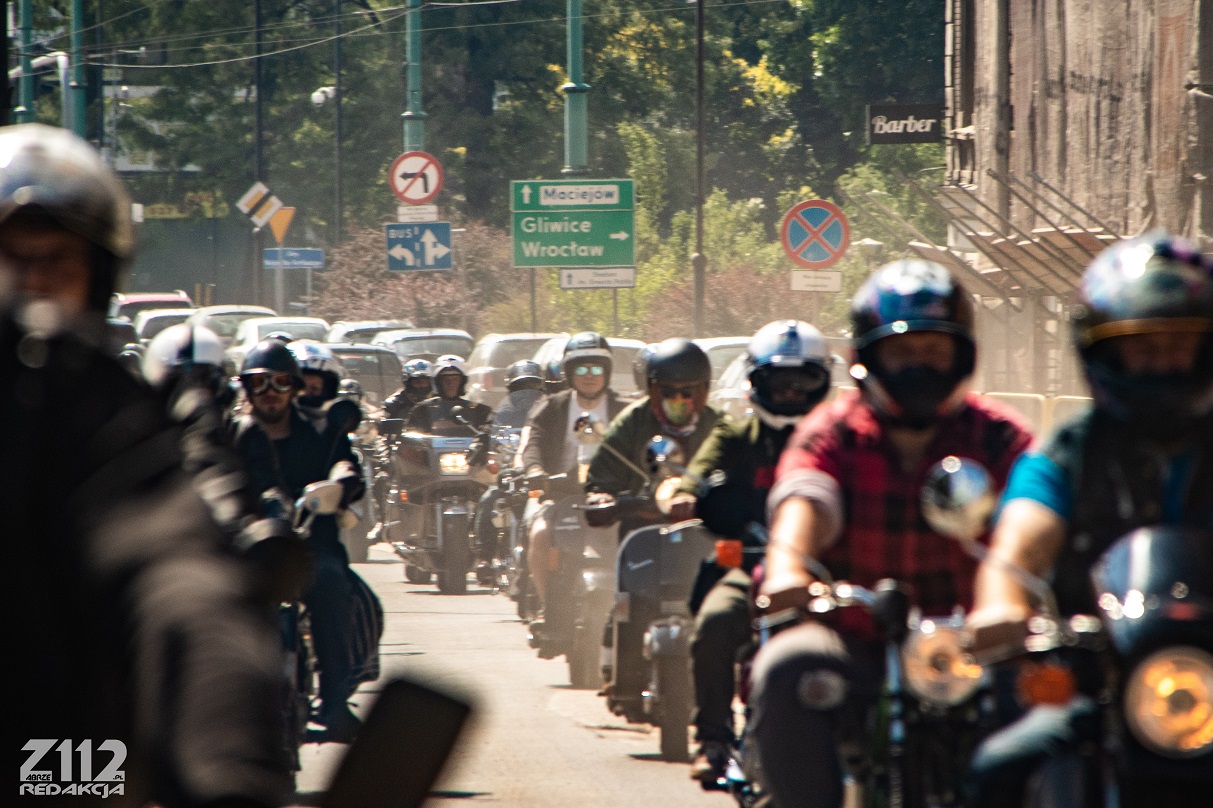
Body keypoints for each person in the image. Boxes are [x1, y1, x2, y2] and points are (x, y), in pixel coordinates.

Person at [3, 123, 291, 807]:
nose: (33, 290)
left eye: (57, 264)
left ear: (98, 280)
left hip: (64, 754)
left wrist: (226, 767)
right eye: (12, 264)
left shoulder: (99, 414)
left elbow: (171, 571)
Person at [749, 260, 1033, 808]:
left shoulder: (998, 435)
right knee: (787, 669)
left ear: (962, 356)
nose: (918, 366)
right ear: (867, 359)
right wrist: (787, 570)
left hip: (978, 646)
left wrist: (1015, 603)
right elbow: (806, 498)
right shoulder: (832, 432)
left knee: (1059, 704)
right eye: (902, 353)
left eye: (934, 352)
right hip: (858, 642)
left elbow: (1034, 512)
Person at [965, 233, 1213, 806]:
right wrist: (1001, 605)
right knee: (998, 769)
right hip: (1099, 688)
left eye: (1179, 346)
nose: (1162, 363)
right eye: (1142, 348)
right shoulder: (1067, 455)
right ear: (1105, 354)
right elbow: (1020, 542)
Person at [668, 321, 833, 783]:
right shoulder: (736, 437)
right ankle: (714, 738)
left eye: (802, 382)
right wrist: (683, 492)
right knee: (714, 626)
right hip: (751, 563)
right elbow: (697, 472)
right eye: (777, 382)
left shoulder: (836, 439)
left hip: (829, 570)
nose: (789, 393)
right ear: (755, 382)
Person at [233, 338, 367, 742]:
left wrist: (342, 481)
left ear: (295, 386)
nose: (270, 393)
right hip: (249, 549)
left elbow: (344, 461)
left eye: (280, 382)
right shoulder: (233, 434)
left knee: (329, 582)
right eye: (259, 383)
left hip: (311, 544)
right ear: (246, 388)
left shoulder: (321, 428)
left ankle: (335, 700)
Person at [518, 333, 628, 644]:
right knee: (539, 536)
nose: (590, 377)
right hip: (562, 495)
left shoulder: (626, 409)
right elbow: (534, 443)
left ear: (607, 372)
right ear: (569, 374)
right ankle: (546, 606)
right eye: (581, 370)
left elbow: (644, 445)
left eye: (596, 369)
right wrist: (535, 470)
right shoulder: (551, 408)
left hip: (614, 498)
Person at [583, 337, 722, 517]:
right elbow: (604, 474)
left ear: (704, 390)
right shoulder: (633, 421)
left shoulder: (719, 424)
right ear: (653, 390)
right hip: (643, 527)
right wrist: (601, 496)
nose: (678, 399)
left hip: (708, 529)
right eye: (668, 392)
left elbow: (743, 473)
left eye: (688, 392)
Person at [471, 359, 549, 581]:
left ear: (540, 387)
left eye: (532, 387)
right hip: (511, 471)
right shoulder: (503, 412)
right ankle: (484, 558)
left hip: (538, 471)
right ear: (511, 389)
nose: (527, 394)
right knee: (488, 501)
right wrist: (481, 442)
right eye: (520, 388)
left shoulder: (548, 410)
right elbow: (488, 430)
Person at [406, 354, 492, 436]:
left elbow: (490, 431)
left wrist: (486, 433)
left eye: (455, 379)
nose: (450, 383)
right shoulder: (422, 410)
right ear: (438, 382)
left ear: (462, 382)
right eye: (445, 379)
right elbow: (412, 437)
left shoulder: (479, 410)